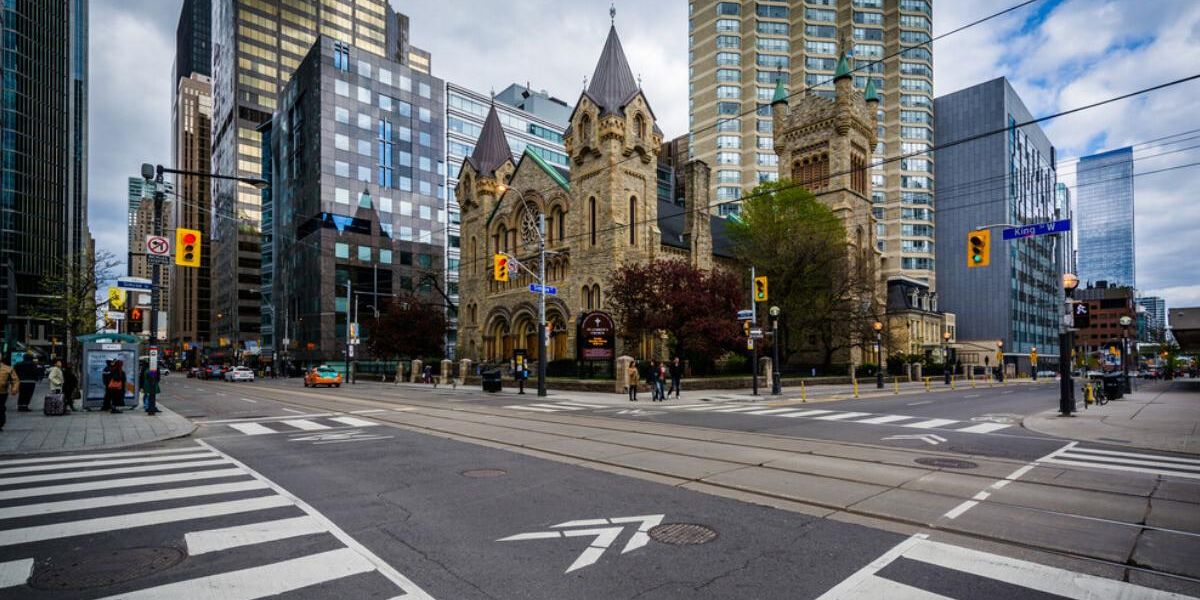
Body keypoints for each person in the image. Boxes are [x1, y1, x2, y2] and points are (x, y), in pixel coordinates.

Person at [0, 357, 19, 430]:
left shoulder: (8, 369)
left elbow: (15, 380)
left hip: (2, 393)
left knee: (1, 408)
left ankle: (0, 423)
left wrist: (14, 388)